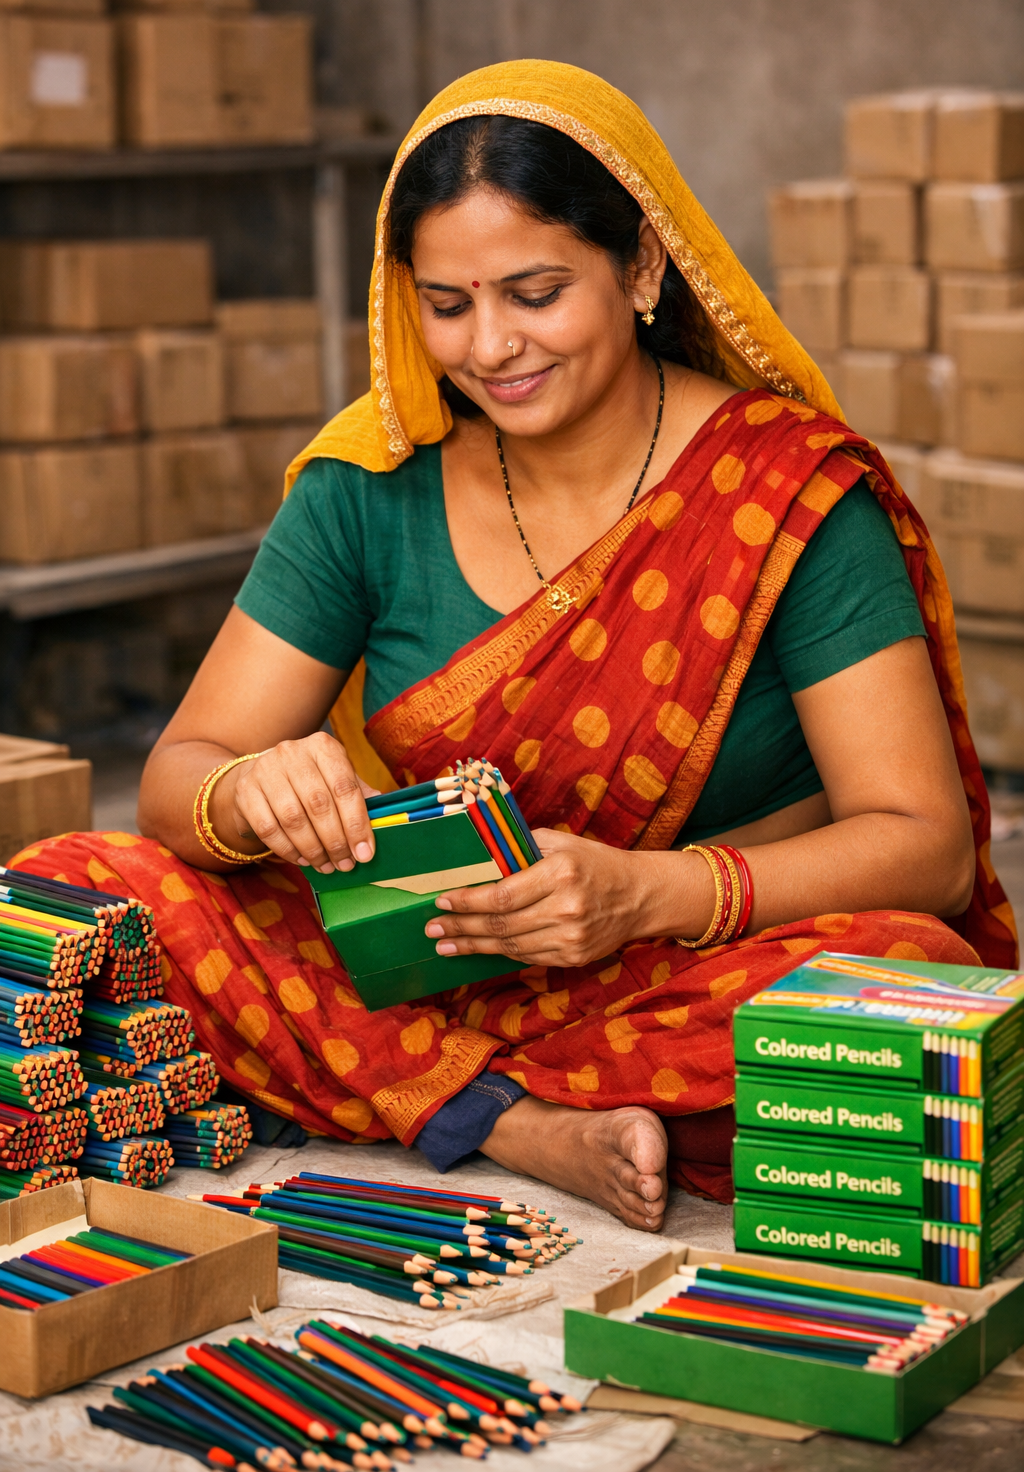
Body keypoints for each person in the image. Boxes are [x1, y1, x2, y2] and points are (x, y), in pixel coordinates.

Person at [17, 62, 1014, 1233]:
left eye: (535, 293)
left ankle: (389, 1093)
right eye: (447, 305)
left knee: (903, 982)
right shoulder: (369, 490)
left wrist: (647, 893)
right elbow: (181, 778)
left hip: (678, 960)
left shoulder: (779, 490)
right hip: (432, 958)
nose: (491, 347)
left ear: (640, 267)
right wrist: (250, 793)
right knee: (78, 893)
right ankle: (512, 1121)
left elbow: (926, 846)